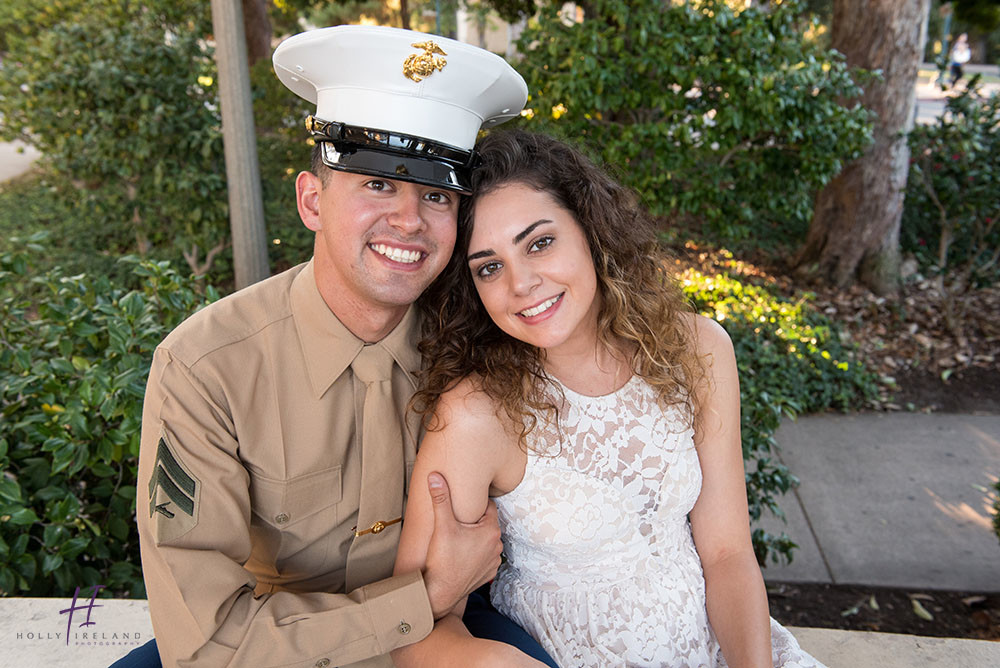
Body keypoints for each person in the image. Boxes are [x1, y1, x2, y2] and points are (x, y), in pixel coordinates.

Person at [117, 26, 556, 667]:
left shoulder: (484, 337)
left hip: (457, 623)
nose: (408, 220)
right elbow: (208, 639)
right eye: (377, 184)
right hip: (273, 640)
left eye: (436, 194)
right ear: (312, 199)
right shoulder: (207, 367)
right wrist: (421, 595)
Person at [392, 129, 827, 667]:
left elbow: (728, 552)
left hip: (721, 646)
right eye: (489, 266)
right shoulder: (476, 415)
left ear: (591, 232)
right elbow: (413, 634)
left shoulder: (697, 349)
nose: (522, 282)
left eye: (540, 242)